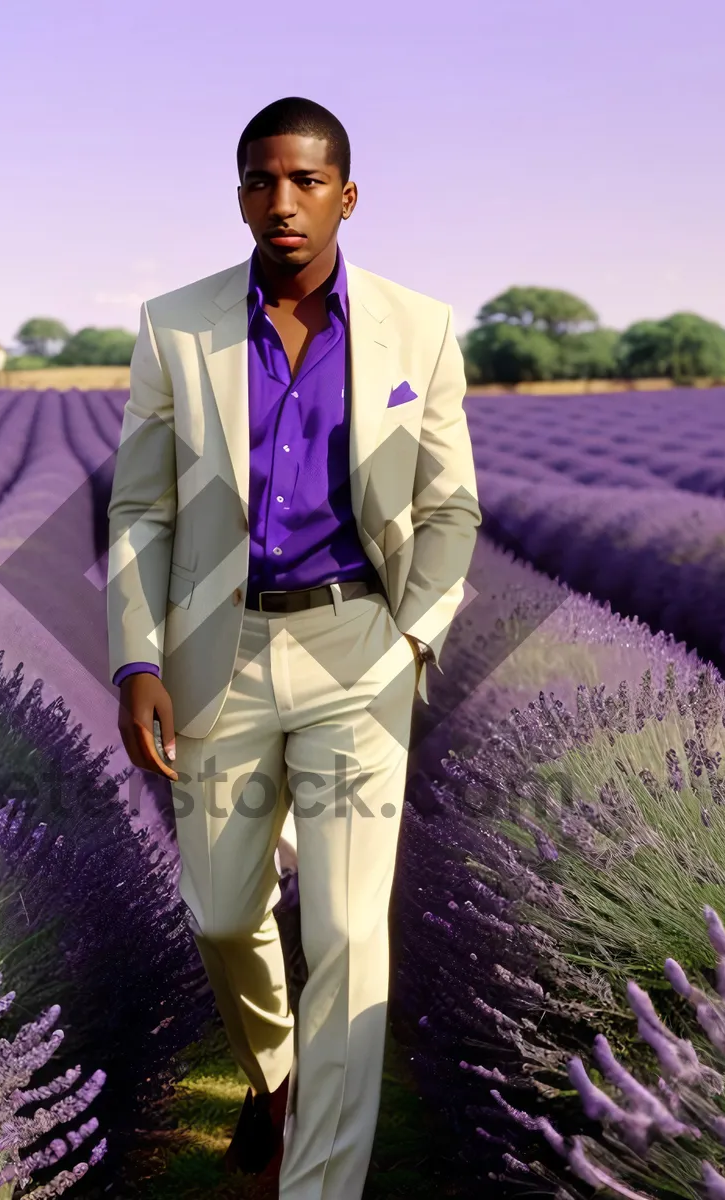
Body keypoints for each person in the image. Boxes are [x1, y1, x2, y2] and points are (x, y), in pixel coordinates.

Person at [106, 95, 480, 1200]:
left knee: (352, 931)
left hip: (358, 642)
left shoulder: (421, 327)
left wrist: (410, 641)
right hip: (215, 651)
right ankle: (279, 1081)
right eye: (263, 182)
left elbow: (451, 509)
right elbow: (142, 510)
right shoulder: (177, 325)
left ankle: (319, 1186)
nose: (284, 202)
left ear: (346, 196)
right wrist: (136, 660)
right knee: (221, 913)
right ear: (239, 197)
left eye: (307, 182)